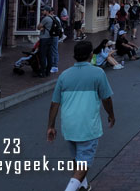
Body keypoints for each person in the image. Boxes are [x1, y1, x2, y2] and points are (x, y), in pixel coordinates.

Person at [48, 41, 115, 191]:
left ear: (74, 56)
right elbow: (106, 98)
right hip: (87, 126)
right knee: (83, 164)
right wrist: (111, 115)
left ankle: (84, 185)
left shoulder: (64, 75)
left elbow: (54, 103)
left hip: (69, 125)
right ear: (91, 55)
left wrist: (51, 126)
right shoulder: (98, 73)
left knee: (78, 159)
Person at [37, 6, 56, 77]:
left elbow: (38, 27)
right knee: (49, 55)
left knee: (42, 55)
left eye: (43, 10)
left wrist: (41, 27)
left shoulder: (46, 19)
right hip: (51, 38)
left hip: (44, 39)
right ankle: (48, 71)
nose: (42, 11)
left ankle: (42, 72)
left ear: (47, 11)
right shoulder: (53, 18)